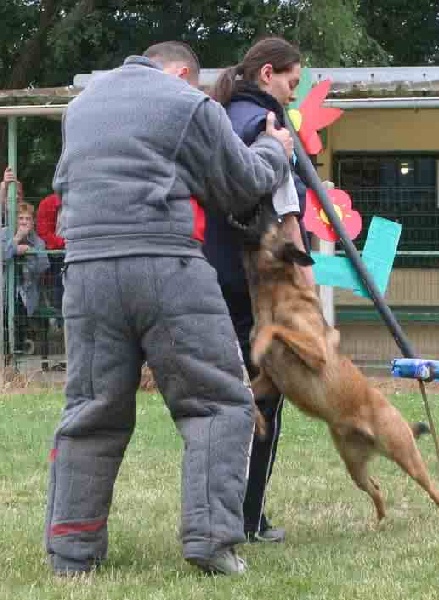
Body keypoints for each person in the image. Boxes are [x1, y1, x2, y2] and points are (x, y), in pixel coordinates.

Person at [45, 41, 294, 577]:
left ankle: (71, 550)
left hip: (85, 273)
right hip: (165, 266)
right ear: (183, 73)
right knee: (220, 401)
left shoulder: (81, 106)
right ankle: (211, 541)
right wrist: (276, 149)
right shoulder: (187, 103)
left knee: (92, 410)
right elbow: (243, 183)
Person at [205, 36, 314, 543]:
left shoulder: (219, 115)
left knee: (221, 400)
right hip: (255, 282)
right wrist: (304, 279)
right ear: (268, 74)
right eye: (292, 82)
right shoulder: (267, 126)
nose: (293, 93)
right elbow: (285, 208)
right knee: (263, 398)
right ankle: (247, 517)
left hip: (211, 276)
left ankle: (216, 513)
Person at [2, 202, 50, 354]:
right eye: (20, 218)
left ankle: (16, 349)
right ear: (15, 220)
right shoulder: (3, 234)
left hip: (26, 292)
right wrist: (16, 242)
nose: (23, 222)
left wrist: (31, 252)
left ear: (33, 221)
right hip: (4, 289)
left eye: (27, 218)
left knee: (20, 312)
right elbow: (3, 257)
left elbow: (43, 267)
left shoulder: (38, 242)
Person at [36, 192, 64, 313]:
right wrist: (63, 243)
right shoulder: (47, 203)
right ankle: (58, 321)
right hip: (56, 253)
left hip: (74, 248)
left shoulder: (81, 201)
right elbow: (43, 232)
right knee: (58, 286)